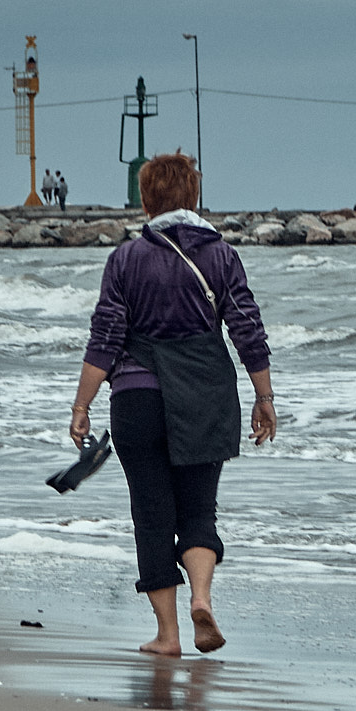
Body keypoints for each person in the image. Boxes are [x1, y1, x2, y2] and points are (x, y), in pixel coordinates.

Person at [70, 151, 276, 656]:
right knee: (199, 509)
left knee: (152, 513)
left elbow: (106, 338)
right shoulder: (221, 255)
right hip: (205, 395)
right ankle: (201, 597)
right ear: (193, 196)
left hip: (138, 397)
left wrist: (82, 405)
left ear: (146, 199)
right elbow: (247, 329)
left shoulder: (125, 259)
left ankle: (168, 635)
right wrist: (264, 396)